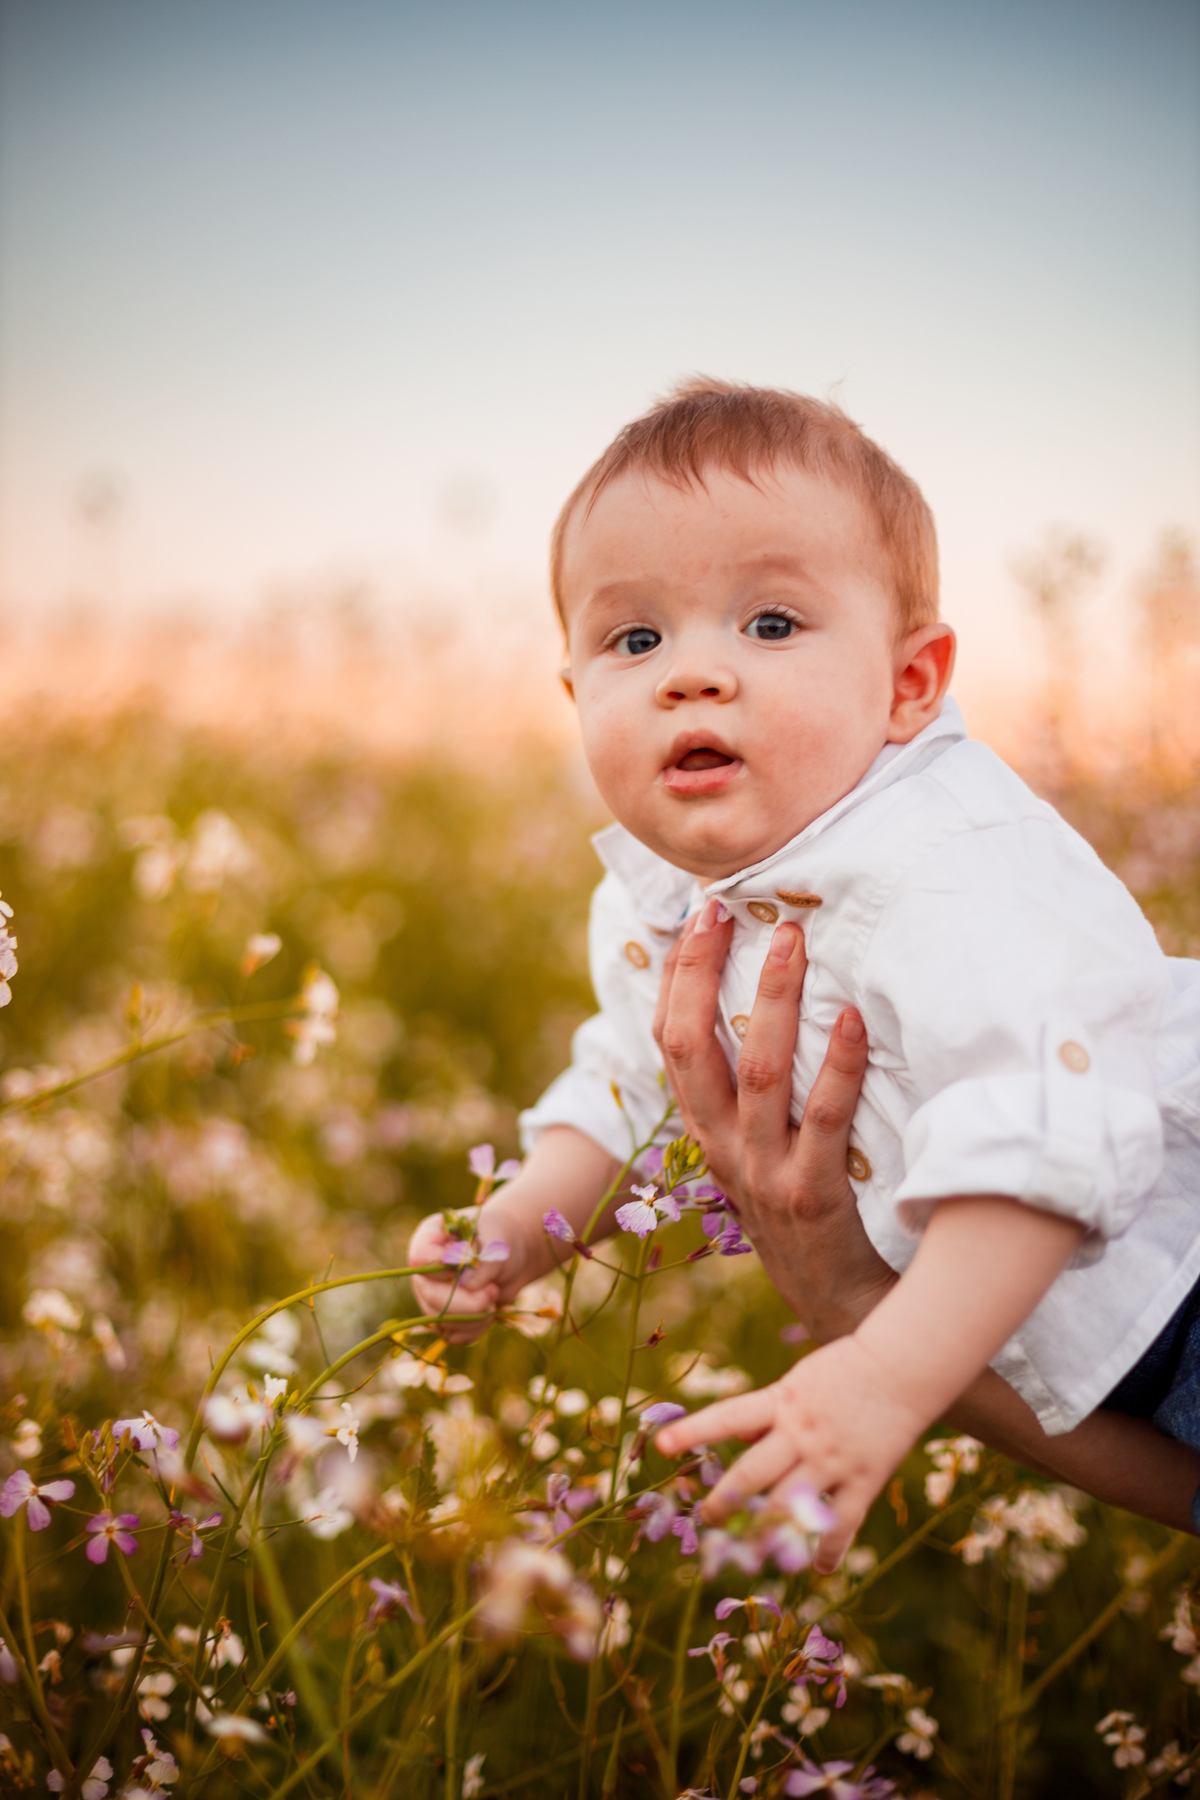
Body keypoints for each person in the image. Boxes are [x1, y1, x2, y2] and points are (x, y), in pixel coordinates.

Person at [408, 379, 1200, 1562]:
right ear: (577, 699)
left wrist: (880, 1372)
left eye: (771, 624)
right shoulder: (660, 899)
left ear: (910, 685)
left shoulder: (950, 867)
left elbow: (1043, 1134)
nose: (693, 672)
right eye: (636, 639)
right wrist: (520, 1228)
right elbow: (626, 1086)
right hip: (1076, 1347)